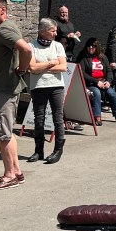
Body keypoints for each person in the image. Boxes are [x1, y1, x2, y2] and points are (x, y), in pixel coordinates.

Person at [0, 0, 33, 189]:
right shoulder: (6, 28)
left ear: (2, 9)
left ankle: (9, 175)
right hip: (5, 88)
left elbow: (26, 49)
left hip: (4, 89)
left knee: (3, 134)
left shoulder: (5, 30)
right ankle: (16, 171)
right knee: (7, 133)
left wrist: (22, 68)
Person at [26, 18, 69, 163]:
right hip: (38, 86)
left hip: (56, 86)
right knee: (39, 119)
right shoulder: (31, 46)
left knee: (58, 118)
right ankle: (39, 151)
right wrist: (51, 63)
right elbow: (32, 68)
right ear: (43, 31)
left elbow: (63, 67)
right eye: (53, 30)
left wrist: (42, 67)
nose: (55, 33)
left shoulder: (57, 46)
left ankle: (58, 150)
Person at [77, 38, 116, 126]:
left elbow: (109, 72)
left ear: (97, 47)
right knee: (96, 92)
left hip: (103, 82)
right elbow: (82, 73)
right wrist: (96, 82)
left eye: (93, 46)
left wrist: (108, 82)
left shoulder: (103, 57)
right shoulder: (83, 57)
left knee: (111, 93)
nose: (91, 48)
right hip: (91, 83)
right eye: (89, 46)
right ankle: (97, 116)